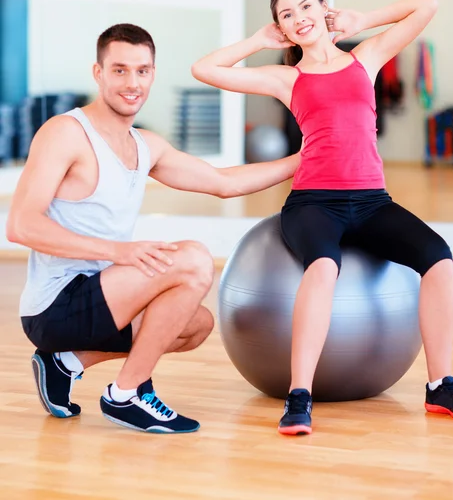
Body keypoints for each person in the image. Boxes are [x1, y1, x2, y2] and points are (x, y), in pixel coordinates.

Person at [191, 0, 453, 435]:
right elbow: (205, 69)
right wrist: (255, 40)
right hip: (313, 203)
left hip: (372, 202)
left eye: (305, 7)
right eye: (286, 15)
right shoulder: (287, 78)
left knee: (439, 258)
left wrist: (363, 19)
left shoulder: (365, 59)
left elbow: (426, 3)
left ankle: (440, 385)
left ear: (324, 9)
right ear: (281, 30)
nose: (298, 19)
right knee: (324, 267)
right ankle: (299, 394)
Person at [6, 23, 301, 435]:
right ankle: (125, 395)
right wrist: (118, 251)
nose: (132, 83)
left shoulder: (146, 145)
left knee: (195, 325)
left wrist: (309, 157)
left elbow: (224, 182)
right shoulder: (66, 133)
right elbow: (21, 225)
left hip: (106, 293)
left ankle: (65, 363)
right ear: (98, 72)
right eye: (120, 70)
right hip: (55, 305)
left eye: (142, 71)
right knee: (194, 259)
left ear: (153, 74)